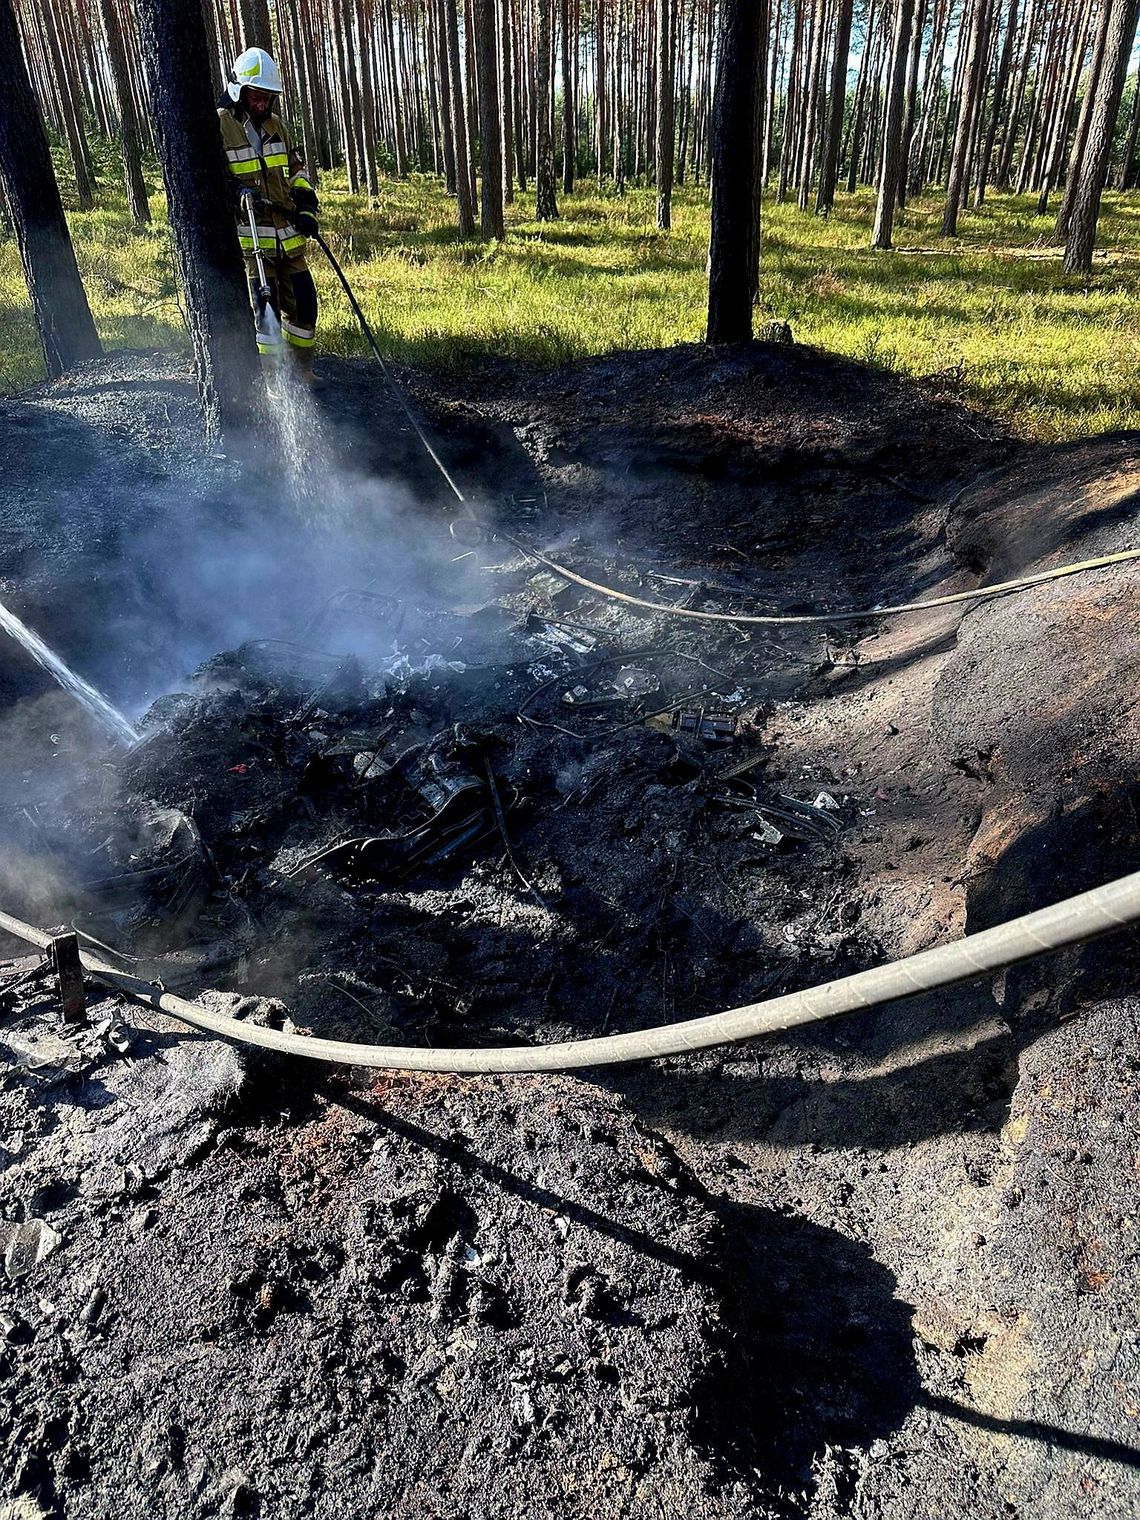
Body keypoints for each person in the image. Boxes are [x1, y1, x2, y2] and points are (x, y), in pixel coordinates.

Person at [217, 47, 320, 383]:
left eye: (267, 98)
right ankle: (273, 382)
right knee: (267, 314)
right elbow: (216, 177)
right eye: (257, 97)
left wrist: (306, 208)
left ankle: (300, 369)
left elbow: (295, 171)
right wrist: (236, 193)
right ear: (240, 91)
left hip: (288, 238)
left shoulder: (276, 126)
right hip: (254, 244)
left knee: (305, 303)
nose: (263, 104)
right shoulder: (220, 125)